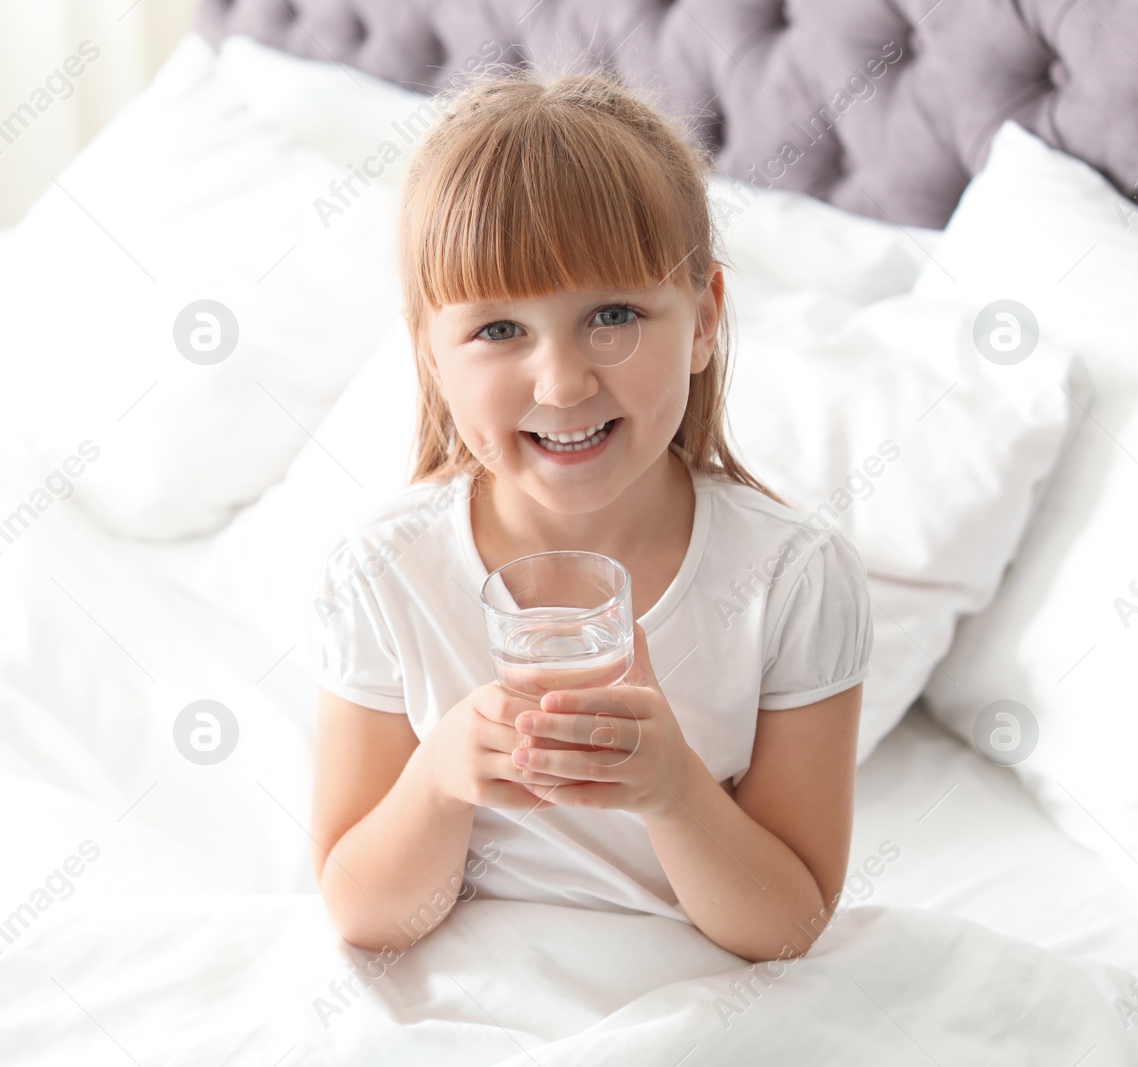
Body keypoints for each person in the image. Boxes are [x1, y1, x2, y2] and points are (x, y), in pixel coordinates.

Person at [306, 66, 873, 965]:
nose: (563, 383)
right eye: (499, 330)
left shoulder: (794, 579)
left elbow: (788, 926)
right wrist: (442, 776)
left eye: (612, 315)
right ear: (429, 353)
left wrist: (675, 789)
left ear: (702, 321)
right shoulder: (385, 573)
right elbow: (365, 913)